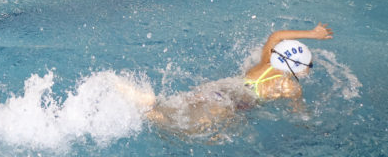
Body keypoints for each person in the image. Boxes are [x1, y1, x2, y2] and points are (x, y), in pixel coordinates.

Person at [115, 23, 334, 136]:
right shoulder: (290, 86)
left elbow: (276, 36)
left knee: (182, 107)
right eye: (310, 65)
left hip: (221, 87)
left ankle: (149, 103)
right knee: (183, 130)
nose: (311, 69)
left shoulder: (266, 60)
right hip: (235, 103)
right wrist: (308, 122)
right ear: (297, 68)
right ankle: (147, 110)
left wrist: (313, 33)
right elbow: (300, 115)